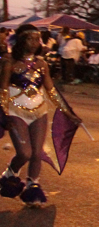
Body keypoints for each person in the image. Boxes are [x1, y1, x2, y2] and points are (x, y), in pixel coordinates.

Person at [0, 24, 82, 207]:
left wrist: (68, 113)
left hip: (39, 112)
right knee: (25, 153)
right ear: (21, 41)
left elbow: (51, 91)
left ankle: (32, 186)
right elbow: (3, 89)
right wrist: (4, 114)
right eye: (31, 38)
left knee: (37, 152)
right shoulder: (9, 63)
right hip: (16, 112)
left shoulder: (42, 64)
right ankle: (8, 175)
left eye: (38, 39)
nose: (36, 42)